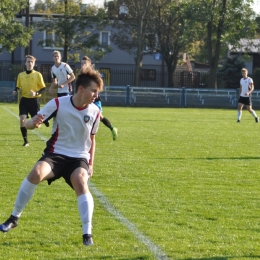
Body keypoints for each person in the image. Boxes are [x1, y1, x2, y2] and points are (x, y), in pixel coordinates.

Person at [0, 64, 103, 246]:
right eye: (93, 91)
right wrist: (33, 122)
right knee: (36, 173)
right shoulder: (58, 103)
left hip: (79, 158)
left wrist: (91, 163)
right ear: (81, 89)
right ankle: (14, 218)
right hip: (56, 154)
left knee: (80, 180)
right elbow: (31, 124)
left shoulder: (95, 111)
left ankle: (87, 233)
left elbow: (92, 140)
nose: (96, 95)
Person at [81, 56, 118, 140]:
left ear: (89, 64)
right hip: (86, 100)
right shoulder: (81, 75)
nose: (83, 65)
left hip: (95, 101)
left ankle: (112, 129)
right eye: (81, 63)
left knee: (99, 117)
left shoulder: (93, 75)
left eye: (85, 63)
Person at [12, 55, 46, 147]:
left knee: (36, 125)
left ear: (34, 63)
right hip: (24, 100)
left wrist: (35, 93)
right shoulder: (21, 75)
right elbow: (18, 86)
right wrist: (15, 90)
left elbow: (43, 88)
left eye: (31, 62)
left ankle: (42, 120)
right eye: (28, 61)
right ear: (25, 63)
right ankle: (26, 141)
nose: (30, 63)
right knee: (22, 120)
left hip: (34, 101)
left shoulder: (37, 74)